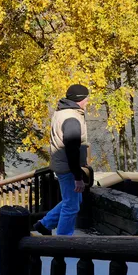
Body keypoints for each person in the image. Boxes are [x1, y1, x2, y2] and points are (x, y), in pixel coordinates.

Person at [34, 84, 90, 236]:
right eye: (86, 98)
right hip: (68, 168)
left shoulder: (62, 112)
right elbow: (72, 150)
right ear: (80, 99)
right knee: (71, 207)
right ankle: (63, 242)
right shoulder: (72, 119)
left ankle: (45, 225)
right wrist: (78, 177)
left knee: (72, 201)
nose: (88, 101)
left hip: (62, 165)